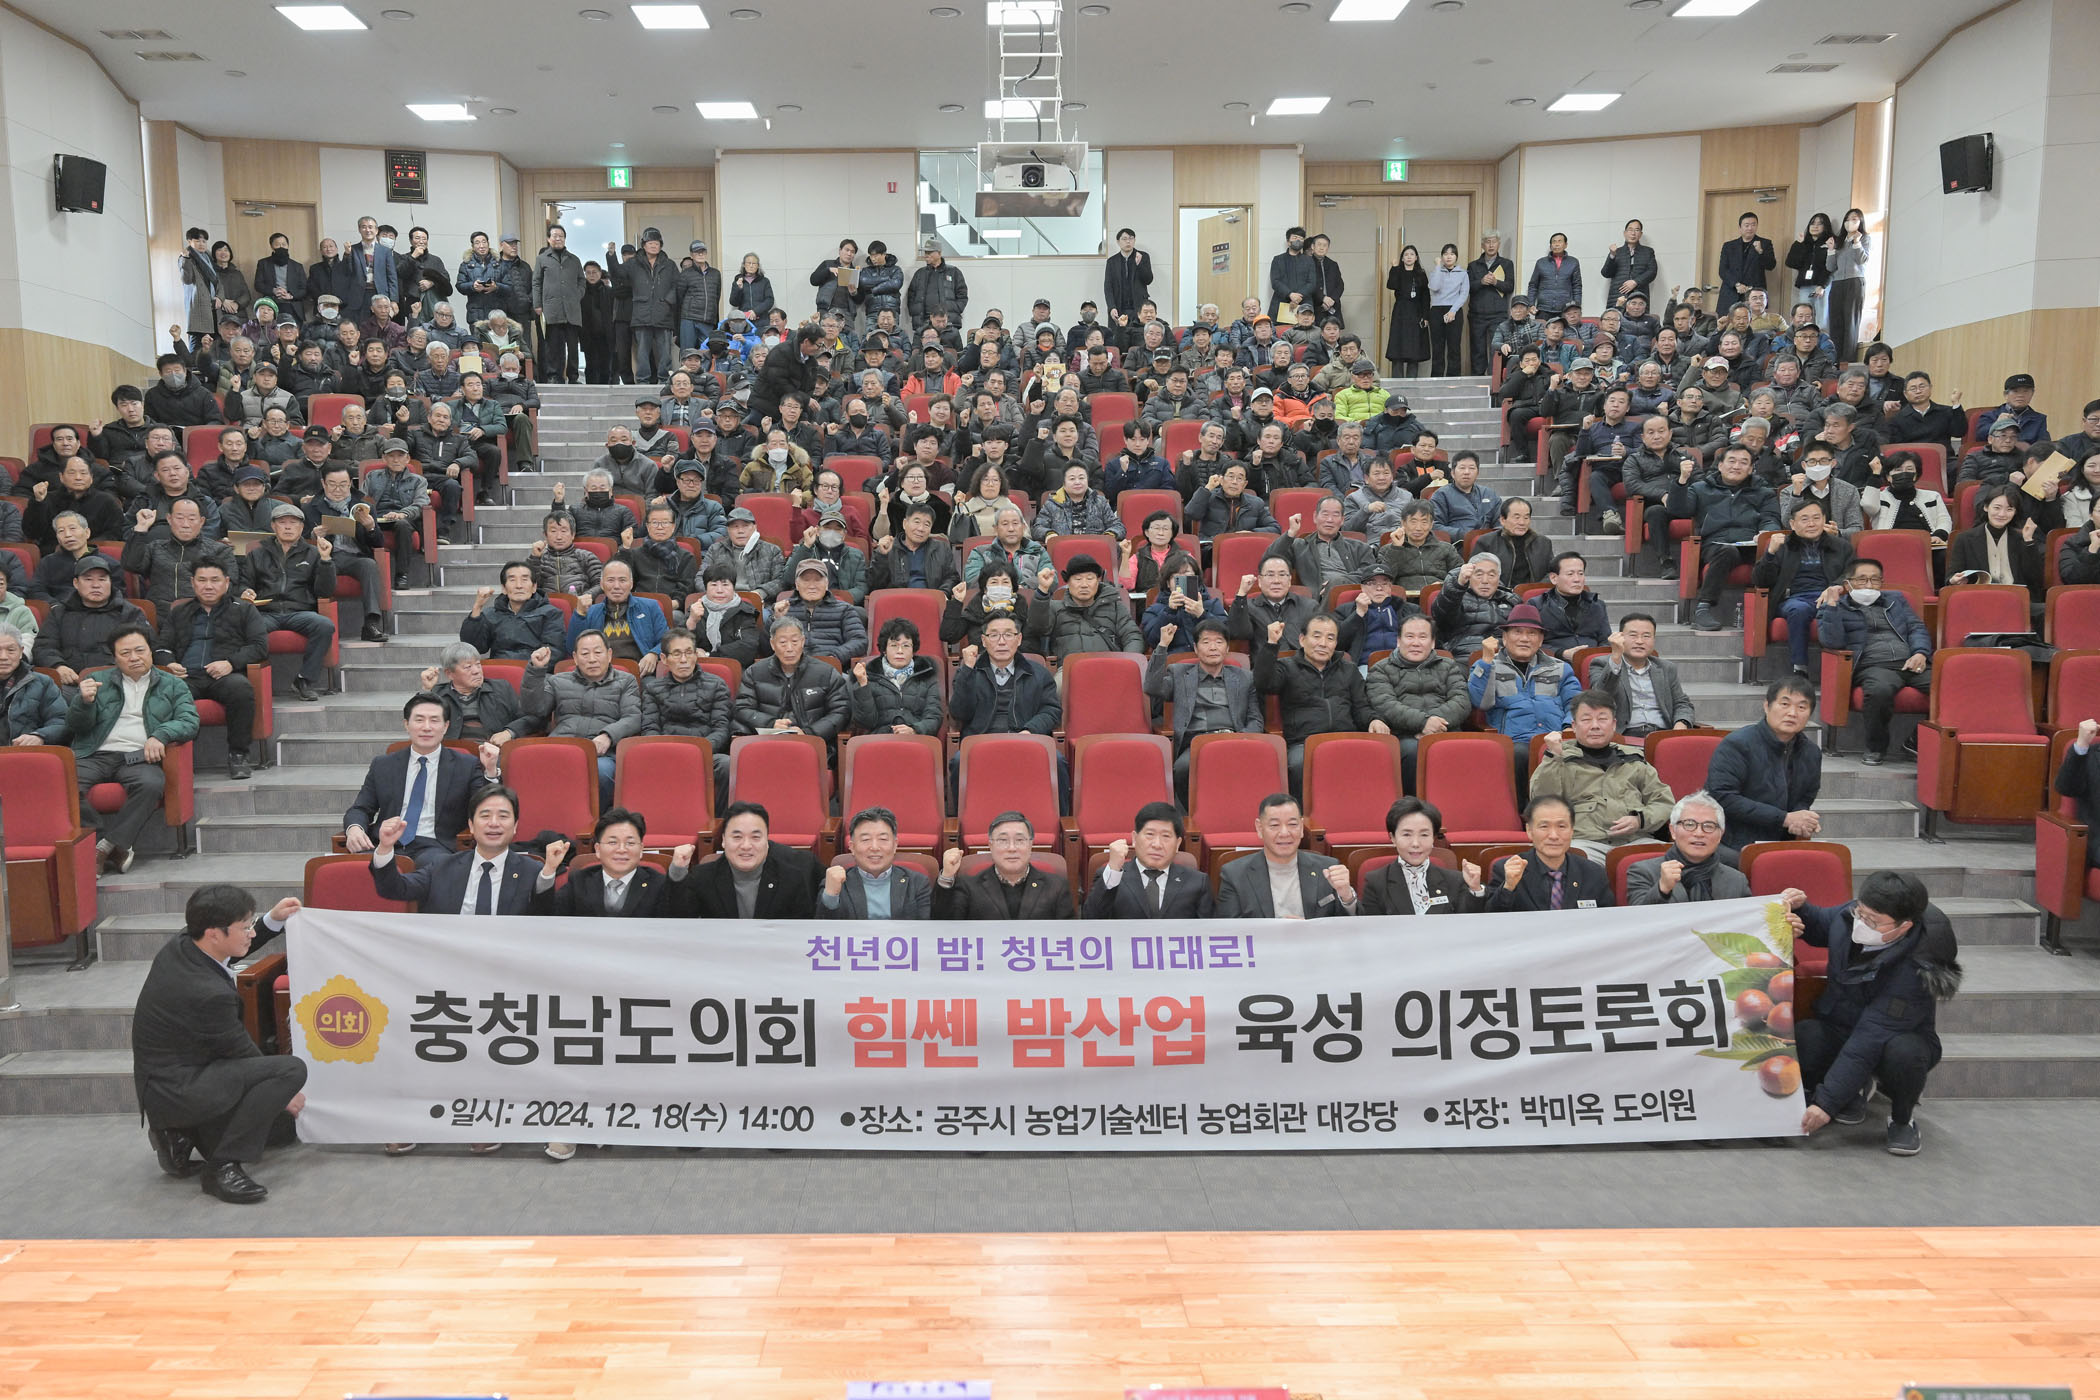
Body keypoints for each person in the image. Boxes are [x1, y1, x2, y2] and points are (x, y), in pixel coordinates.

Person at [131, 884, 309, 1203]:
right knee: (290, 1071)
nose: (251, 933)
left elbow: (232, 947)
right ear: (214, 933)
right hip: (180, 1088)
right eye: (245, 927)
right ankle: (222, 1167)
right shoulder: (206, 994)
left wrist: (272, 920)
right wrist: (284, 1091)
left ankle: (179, 1133)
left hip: (174, 1077)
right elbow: (241, 1051)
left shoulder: (184, 943)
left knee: (282, 1132)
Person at [1796, 870, 1961, 1156]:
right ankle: (1853, 1089)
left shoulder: (1918, 967)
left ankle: (1902, 1119)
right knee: (1805, 1036)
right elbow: (1822, 923)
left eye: (1873, 921)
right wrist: (1800, 909)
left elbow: (1871, 1035)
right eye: (1860, 913)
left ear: (1904, 926)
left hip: (1892, 1038)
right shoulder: (1854, 915)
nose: (1862, 923)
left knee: (1905, 1054)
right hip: (1842, 1022)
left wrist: (1826, 1103)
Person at [66, 623, 198, 873]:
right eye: (125, 653)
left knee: (151, 784)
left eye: (140, 650)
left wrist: (160, 735)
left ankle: (103, 849)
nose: (134, 658)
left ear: (150, 651)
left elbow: (189, 721)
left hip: (139, 756)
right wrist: (83, 703)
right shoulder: (97, 681)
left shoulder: (173, 684)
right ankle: (105, 844)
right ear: (115, 658)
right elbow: (76, 726)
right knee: (64, 784)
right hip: (95, 754)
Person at [342, 692, 503, 865]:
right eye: (419, 720)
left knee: (433, 865)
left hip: (435, 846)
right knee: (357, 868)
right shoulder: (383, 765)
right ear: (406, 724)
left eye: (434, 720)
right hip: (386, 842)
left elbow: (485, 807)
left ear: (446, 726)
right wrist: (354, 828)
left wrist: (490, 771)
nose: (427, 727)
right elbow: (360, 808)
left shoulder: (466, 765)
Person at [1528, 692, 1677, 861]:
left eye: (1602, 719)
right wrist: (1554, 757)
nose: (1595, 726)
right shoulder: (1559, 758)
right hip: (1583, 843)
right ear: (1574, 726)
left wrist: (1639, 820)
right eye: (1586, 720)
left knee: (1668, 861)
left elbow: (1663, 802)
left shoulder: (1633, 759)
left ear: (1613, 724)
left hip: (1635, 841)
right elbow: (1541, 801)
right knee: (1572, 862)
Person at [155, 558, 266, 779]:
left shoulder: (244, 609)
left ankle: (238, 755)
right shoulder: (179, 612)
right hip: (187, 675)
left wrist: (230, 663)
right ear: (192, 583)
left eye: (215, 580)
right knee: (165, 693)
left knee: (241, 690)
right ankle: (171, 759)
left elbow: (259, 646)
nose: (208, 586)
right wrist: (169, 663)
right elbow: (161, 648)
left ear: (226, 582)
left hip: (224, 675)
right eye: (202, 580)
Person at [1253, 611, 1387, 793]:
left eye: (1330, 638)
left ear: (1336, 643)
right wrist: (1271, 644)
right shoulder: (1287, 667)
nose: (1323, 643)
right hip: (1304, 742)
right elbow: (1264, 683)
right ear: (1302, 640)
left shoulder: (1349, 670)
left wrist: (1373, 720)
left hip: (1346, 738)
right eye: (1316, 636)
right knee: (1299, 764)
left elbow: (1361, 707)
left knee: (1377, 757)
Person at [1815, 557, 1931, 765]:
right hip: (1874, 665)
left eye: (1875, 580)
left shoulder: (1896, 599)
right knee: (1879, 691)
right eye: (1862, 580)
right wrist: (1832, 605)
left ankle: (1916, 739)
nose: (1869, 585)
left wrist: (1920, 653)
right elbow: (1831, 641)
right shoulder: (1836, 606)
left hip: (1910, 661)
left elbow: (1916, 628)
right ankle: (1876, 748)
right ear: (1848, 583)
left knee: (1953, 687)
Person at [368, 782, 538, 920]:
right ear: (471, 825)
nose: (494, 823)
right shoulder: (441, 867)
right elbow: (393, 888)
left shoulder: (532, 872)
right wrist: (385, 847)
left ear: (515, 826)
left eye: (503, 816)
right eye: (485, 816)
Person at [1665, 444, 1782, 628]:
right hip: (1715, 545)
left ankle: (1772, 612)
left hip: (1751, 545)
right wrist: (1682, 481)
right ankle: (1703, 608)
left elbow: (1771, 518)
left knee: (1777, 550)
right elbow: (1676, 510)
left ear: (1751, 469)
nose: (1736, 466)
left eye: (1743, 463)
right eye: (1731, 461)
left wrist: (1766, 533)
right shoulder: (1701, 488)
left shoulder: (1764, 493)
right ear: (1720, 465)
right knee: (1727, 551)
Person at [523, 629, 643, 805]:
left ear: (609, 654)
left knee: (601, 773)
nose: (592, 659)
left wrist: (608, 736)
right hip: (561, 746)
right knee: (525, 765)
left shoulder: (626, 681)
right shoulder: (557, 681)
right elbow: (535, 709)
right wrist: (536, 671)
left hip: (601, 753)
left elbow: (632, 717)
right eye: (585, 654)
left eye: (598, 652)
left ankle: (594, 819)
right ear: (575, 657)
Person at [1707, 675, 1823, 849]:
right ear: (1767, 706)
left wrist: (1801, 819)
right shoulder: (1737, 744)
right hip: (1733, 841)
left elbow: (1806, 796)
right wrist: (1784, 818)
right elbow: (1723, 797)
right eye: (1785, 704)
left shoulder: (1811, 752)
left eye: (1801, 707)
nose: (1792, 713)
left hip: (1783, 840)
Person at [239, 501, 337, 702]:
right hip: (266, 612)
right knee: (244, 627)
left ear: (302, 527)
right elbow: (243, 584)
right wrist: (245, 592)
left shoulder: (313, 553)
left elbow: (324, 591)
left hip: (299, 611)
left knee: (324, 625)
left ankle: (304, 680)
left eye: (293, 523)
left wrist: (326, 560)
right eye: (282, 522)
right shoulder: (257, 553)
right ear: (273, 526)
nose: (288, 527)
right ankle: (246, 681)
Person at [533, 807, 688, 925]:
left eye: (630, 843)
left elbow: (677, 923)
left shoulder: (657, 883)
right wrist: (549, 870)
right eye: (613, 842)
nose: (621, 849)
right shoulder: (580, 880)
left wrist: (678, 872)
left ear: (641, 849)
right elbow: (546, 919)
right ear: (598, 850)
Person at [1216, 792, 1359, 919]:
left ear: (1301, 827)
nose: (1284, 833)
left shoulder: (1327, 868)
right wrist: (1280, 931)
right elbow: (1229, 931)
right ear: (1259, 828)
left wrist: (1346, 897)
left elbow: (1350, 928)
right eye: (1274, 825)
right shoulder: (1235, 875)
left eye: (1292, 824)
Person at [1750, 497, 1853, 670]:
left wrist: (1835, 586)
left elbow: (1852, 573)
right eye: (1804, 519)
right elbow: (1760, 581)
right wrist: (1770, 553)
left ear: (1824, 519)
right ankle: (1800, 668)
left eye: (1816, 518)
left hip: (1830, 597)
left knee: (1840, 610)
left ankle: (1841, 671)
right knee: (1799, 610)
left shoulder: (1841, 546)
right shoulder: (1782, 546)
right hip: (1794, 598)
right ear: (1792, 524)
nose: (1811, 524)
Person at [676, 800, 819, 918]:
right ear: (724, 840)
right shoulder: (702, 878)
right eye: (737, 837)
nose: (746, 846)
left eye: (755, 837)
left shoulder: (791, 879)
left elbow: (801, 933)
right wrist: (677, 872)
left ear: (767, 841)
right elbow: (678, 924)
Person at [1468, 601, 1577, 748]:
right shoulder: (1487, 665)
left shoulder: (1560, 668)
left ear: (1540, 640)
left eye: (1532, 633)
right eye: (1517, 632)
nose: (1524, 639)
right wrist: (1486, 661)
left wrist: (1569, 727)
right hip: (1515, 740)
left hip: (1557, 737)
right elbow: (1480, 702)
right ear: (1504, 638)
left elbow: (1575, 703)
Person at [1625, 791, 1760, 906]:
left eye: (1708, 826)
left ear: (1720, 835)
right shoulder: (1643, 872)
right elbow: (1638, 922)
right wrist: (1662, 889)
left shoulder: (1736, 880)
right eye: (1689, 824)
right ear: (1673, 831)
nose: (1699, 833)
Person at [1083, 802, 1214, 919]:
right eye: (1150, 834)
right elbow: (1090, 922)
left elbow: (1209, 932)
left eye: (1166, 836)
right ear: (1134, 838)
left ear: (1178, 844)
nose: (1157, 844)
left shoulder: (1198, 882)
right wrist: (1113, 869)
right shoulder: (1112, 877)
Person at [34, 556, 153, 685]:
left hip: (119, 682)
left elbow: (147, 649)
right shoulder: (60, 613)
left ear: (110, 582)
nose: (96, 585)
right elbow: (43, 646)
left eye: (102, 579)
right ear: (76, 583)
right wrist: (58, 666)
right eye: (88, 579)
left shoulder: (130, 613)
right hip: (71, 683)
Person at [1360, 797, 1486, 916]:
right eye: (1407, 835)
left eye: (1424, 835)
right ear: (1392, 837)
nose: (1415, 843)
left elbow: (1469, 924)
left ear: (1433, 838)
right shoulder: (1376, 882)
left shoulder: (1455, 880)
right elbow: (1373, 927)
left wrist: (1475, 889)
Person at [1485, 795, 1611, 912]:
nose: (1554, 836)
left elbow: (1608, 920)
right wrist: (1508, 887)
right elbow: (1492, 918)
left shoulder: (1594, 873)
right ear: (1529, 831)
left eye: (1561, 826)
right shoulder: (1507, 870)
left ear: (1572, 830)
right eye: (1544, 827)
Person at [735, 617, 852, 743]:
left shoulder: (826, 673)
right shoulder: (755, 673)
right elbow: (742, 708)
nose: (789, 648)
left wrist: (809, 733)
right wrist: (770, 723)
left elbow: (840, 711)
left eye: (795, 641)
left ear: (803, 641)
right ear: (772, 644)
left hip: (811, 742)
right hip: (768, 742)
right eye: (783, 642)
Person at [817, 807, 936, 920]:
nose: (874, 847)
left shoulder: (917, 882)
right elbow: (823, 929)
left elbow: (924, 929)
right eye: (865, 840)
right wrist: (831, 896)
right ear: (852, 847)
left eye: (883, 839)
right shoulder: (837, 882)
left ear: (895, 845)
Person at [1586, 613, 1695, 737]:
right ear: (1620, 637)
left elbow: (1682, 703)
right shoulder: (1601, 664)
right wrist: (1616, 657)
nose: (1639, 641)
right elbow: (1600, 699)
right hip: (1624, 737)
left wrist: (1681, 724)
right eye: (1633, 635)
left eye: (1646, 636)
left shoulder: (1666, 668)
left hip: (1662, 735)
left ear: (1654, 640)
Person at [417, 642, 530, 747]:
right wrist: (426, 690)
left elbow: (528, 717)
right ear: (449, 673)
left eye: (478, 664)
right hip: (452, 754)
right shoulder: (437, 695)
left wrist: (509, 732)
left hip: (494, 752)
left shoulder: (501, 688)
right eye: (468, 667)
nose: (476, 671)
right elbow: (418, 723)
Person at [1534, 551, 1610, 660]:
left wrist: (1596, 659)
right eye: (1570, 574)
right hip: (1553, 662)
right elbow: (1531, 642)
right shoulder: (1537, 605)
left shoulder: (1597, 605)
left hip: (1593, 662)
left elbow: (1606, 641)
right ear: (1554, 578)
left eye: (1581, 573)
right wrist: (1561, 653)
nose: (1577, 579)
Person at [0, 625, 66, 746]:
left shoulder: (43, 683)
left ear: (21, 652)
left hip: (23, 752)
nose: (3, 657)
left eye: (11, 650)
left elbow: (61, 721)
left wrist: (39, 736)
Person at [1467, 231, 1517, 376]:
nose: (1491, 245)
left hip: (1498, 315)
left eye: (1494, 242)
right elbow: (1467, 287)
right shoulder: (1473, 265)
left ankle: (1495, 379)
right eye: (1487, 242)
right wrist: (1481, 282)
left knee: (1497, 349)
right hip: (1477, 315)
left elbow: (1509, 287)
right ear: (1482, 245)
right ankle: (1477, 379)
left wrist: (1496, 282)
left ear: (1498, 244)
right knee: (1477, 350)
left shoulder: (1507, 264)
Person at [1384, 244, 1431, 377]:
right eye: (1406, 255)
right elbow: (1391, 285)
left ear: (1416, 257)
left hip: (1416, 312)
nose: (1409, 257)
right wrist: (1394, 268)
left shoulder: (1421, 273)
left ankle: (1412, 382)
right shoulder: (1398, 271)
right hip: (1400, 312)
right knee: (1397, 348)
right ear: (1402, 258)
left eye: (1411, 254)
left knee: (1414, 349)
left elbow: (1425, 296)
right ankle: (1397, 381)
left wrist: (1426, 316)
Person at [1716, 211, 1775, 314]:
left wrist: (1760, 252)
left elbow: (1771, 265)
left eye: (1753, 225)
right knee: (1727, 321)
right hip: (1731, 292)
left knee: (1755, 321)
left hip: (1754, 293)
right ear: (1740, 227)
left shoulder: (1765, 243)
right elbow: (1723, 270)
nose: (1750, 228)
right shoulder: (1729, 246)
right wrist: (1736, 284)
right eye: (1746, 225)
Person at [1426, 243, 1468, 377]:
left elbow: (1464, 294)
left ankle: (1453, 378)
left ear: (1456, 257)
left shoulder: (1463, 273)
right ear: (1441, 257)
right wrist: (1438, 266)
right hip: (1436, 310)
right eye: (1445, 254)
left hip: (1454, 310)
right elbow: (1435, 286)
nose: (1449, 257)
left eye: (1452, 254)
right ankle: (1436, 378)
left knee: (1454, 347)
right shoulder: (1436, 272)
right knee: (1437, 347)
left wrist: (1453, 311)